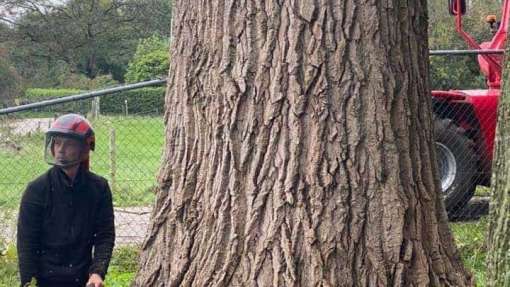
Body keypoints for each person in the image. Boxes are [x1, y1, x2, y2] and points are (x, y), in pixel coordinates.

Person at [17, 113, 115, 287]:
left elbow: (105, 235)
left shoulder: (98, 188)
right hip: (45, 279)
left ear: (84, 149)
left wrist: (97, 272)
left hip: (83, 279)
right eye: (57, 142)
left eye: (68, 143)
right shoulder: (36, 190)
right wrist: (28, 283)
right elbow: (27, 245)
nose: (60, 149)